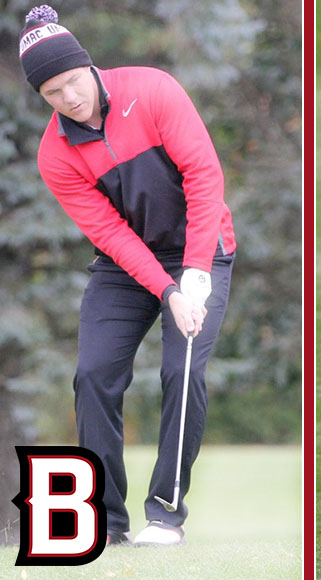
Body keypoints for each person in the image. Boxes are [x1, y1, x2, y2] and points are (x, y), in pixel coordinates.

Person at [18, 5, 236, 546]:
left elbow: (204, 177)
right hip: (125, 265)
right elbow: (111, 234)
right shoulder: (56, 153)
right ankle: (107, 523)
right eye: (52, 93)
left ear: (88, 67)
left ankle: (165, 515)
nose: (69, 98)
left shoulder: (153, 90)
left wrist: (194, 277)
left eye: (72, 82)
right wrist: (164, 289)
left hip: (200, 248)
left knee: (181, 372)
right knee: (93, 375)